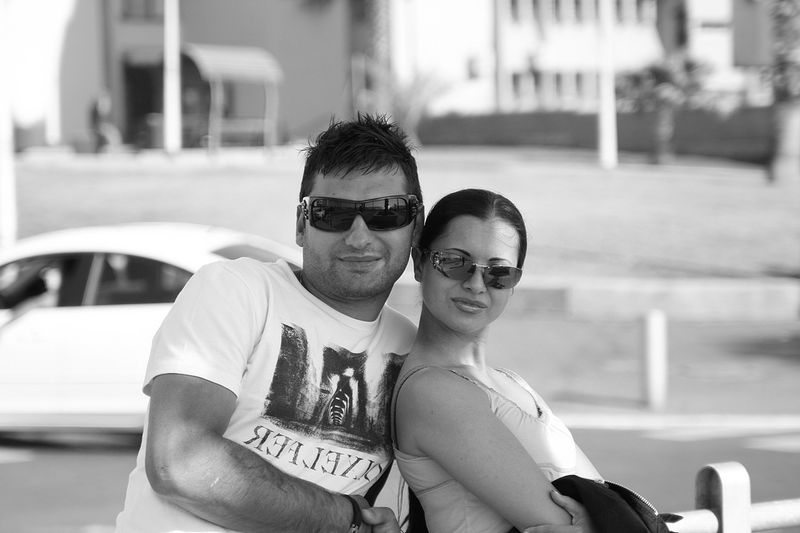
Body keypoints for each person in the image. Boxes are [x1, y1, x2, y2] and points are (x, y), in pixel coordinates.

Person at [115, 114, 424, 533]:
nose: (358, 236)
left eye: (386, 213)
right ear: (301, 224)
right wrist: (343, 517)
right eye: (331, 214)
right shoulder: (235, 290)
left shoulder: (410, 349)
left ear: (416, 227)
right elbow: (179, 461)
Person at [392, 189, 601, 533]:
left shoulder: (510, 382)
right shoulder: (432, 391)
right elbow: (564, 522)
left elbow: (599, 504)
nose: (476, 285)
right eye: (455, 262)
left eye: (499, 273)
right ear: (419, 263)